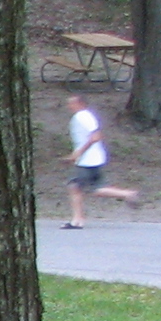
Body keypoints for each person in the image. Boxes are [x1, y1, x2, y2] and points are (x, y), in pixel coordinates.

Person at [63, 95, 139, 227]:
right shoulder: (88, 116)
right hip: (95, 158)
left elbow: (96, 136)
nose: (69, 106)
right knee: (97, 189)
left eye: (71, 103)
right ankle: (127, 194)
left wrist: (78, 153)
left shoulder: (82, 116)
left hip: (87, 160)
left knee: (74, 187)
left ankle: (77, 220)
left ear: (80, 103)